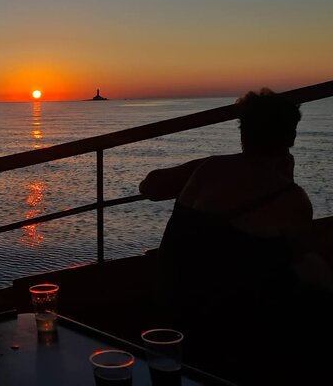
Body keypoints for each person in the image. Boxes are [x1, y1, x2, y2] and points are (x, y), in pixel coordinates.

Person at [139, 88, 332, 384]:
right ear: (290, 137)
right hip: (233, 321)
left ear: (244, 133)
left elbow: (149, 187)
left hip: (173, 303)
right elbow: (297, 257)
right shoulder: (292, 198)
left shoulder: (208, 168)